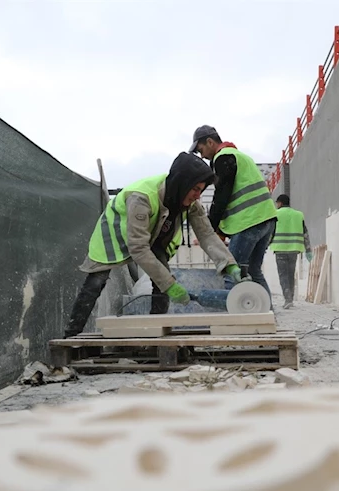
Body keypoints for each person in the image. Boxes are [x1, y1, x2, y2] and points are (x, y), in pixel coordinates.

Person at [64, 152, 242, 338]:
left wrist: (230, 265)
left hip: (153, 236)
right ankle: (70, 336)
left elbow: (206, 235)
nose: (198, 195)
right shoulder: (142, 197)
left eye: (201, 190)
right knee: (96, 282)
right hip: (117, 233)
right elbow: (138, 248)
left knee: (162, 281)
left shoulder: (189, 201)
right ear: (183, 182)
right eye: (195, 189)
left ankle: (155, 335)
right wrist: (170, 285)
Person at [189, 125, 277, 301]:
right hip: (267, 221)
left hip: (249, 223)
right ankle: (266, 314)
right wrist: (221, 231)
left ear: (210, 142)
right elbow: (232, 198)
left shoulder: (223, 158)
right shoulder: (241, 157)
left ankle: (233, 317)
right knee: (253, 270)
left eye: (201, 150)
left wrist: (210, 228)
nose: (203, 156)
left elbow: (222, 196)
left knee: (232, 271)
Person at [269, 194, 312, 308]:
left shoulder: (275, 214)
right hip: (294, 249)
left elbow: (270, 232)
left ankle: (287, 299)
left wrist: (265, 245)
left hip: (280, 250)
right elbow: (305, 233)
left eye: (277, 203)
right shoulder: (298, 215)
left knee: (283, 275)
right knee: (290, 274)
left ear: (280, 203)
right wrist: (308, 250)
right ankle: (290, 299)